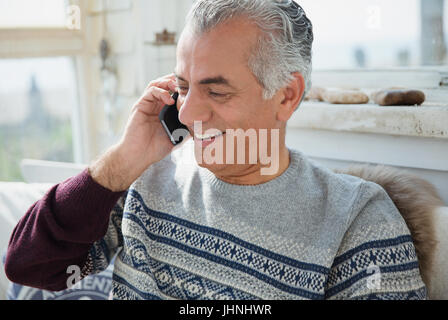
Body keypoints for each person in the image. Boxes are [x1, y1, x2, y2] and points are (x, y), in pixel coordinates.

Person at [5, 0, 426, 300]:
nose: (187, 113)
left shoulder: (356, 217)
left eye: (216, 91)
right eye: (183, 87)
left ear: (287, 95)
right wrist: (121, 162)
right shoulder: (145, 184)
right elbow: (30, 266)